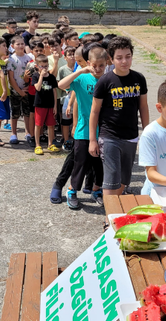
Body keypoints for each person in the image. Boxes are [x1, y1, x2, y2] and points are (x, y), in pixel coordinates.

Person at [89, 36, 149, 196]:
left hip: (131, 137)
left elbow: (143, 106)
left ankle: (115, 209)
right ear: (111, 59)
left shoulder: (139, 79)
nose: (124, 61)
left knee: (124, 178)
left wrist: (147, 133)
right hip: (109, 137)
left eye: (128, 56)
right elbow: (94, 111)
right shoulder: (105, 81)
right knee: (111, 179)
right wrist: (92, 140)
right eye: (119, 58)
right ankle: (110, 218)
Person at [57, 45, 108, 209]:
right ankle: (72, 191)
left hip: (104, 132)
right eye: (94, 65)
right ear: (88, 63)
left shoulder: (109, 81)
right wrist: (80, 71)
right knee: (80, 164)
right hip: (83, 131)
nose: (98, 69)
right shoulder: (81, 79)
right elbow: (61, 84)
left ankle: (96, 190)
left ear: (106, 64)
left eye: (102, 65)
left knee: (99, 166)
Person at [32, 54, 60, 155]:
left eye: (46, 66)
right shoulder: (35, 76)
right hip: (40, 105)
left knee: (51, 125)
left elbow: (54, 91)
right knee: (38, 125)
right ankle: (38, 145)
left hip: (50, 105)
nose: (44, 68)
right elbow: (38, 88)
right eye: (42, 66)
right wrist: (41, 76)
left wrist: (55, 106)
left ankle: (50, 144)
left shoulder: (52, 77)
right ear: (37, 66)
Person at [7, 36, 32, 145]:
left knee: (26, 112)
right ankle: (13, 134)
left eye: (22, 44)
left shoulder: (29, 58)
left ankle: (28, 132)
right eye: (18, 44)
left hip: (26, 90)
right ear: (12, 46)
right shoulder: (11, 59)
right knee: (15, 113)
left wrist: (26, 88)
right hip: (15, 90)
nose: (21, 46)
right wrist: (19, 90)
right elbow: (11, 78)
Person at [58, 46, 76, 151]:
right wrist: (65, 89)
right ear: (65, 57)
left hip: (77, 98)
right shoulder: (63, 69)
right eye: (69, 54)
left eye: (74, 54)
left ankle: (74, 140)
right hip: (66, 98)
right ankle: (66, 140)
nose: (72, 57)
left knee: (75, 119)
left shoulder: (79, 68)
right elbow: (59, 82)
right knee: (66, 120)